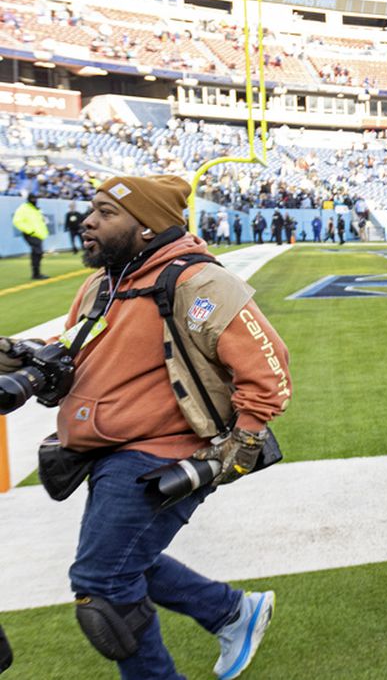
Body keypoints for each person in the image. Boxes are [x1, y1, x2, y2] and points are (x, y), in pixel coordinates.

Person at [0, 174, 291, 680]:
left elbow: (270, 371)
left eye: (107, 212)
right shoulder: (104, 281)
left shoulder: (199, 283)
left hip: (161, 453)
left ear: (147, 228)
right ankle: (230, 612)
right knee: (122, 561)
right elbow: (79, 346)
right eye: (92, 209)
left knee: (103, 584)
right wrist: (27, 358)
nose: (87, 220)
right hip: (106, 451)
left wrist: (243, 441)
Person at [11, 191, 48, 279]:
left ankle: (36, 273)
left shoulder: (36, 209)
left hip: (38, 235)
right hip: (31, 234)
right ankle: (36, 274)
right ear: (29, 199)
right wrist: (30, 231)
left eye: (35, 198)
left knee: (38, 253)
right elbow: (17, 221)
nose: (34, 200)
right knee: (37, 252)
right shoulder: (23, 208)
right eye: (32, 198)